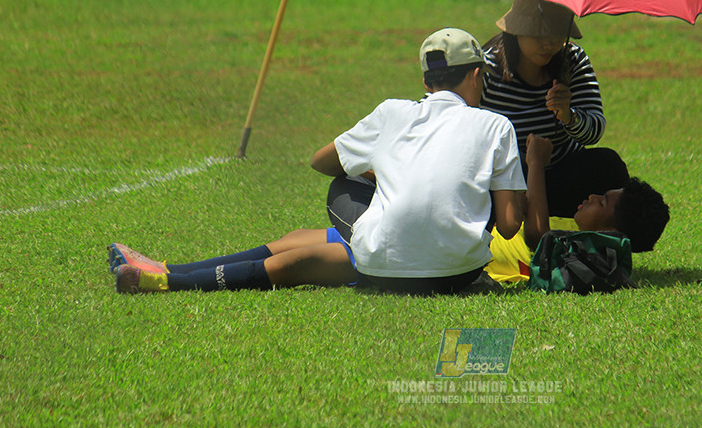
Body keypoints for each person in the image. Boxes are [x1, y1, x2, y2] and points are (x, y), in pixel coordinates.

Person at [110, 27, 527, 296]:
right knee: (301, 248)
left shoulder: (392, 112)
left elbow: (322, 161)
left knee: (344, 190)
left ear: (424, 81)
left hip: (382, 266)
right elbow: (509, 225)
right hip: (455, 274)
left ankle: (167, 274)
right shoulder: (497, 126)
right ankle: (165, 274)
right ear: (475, 76)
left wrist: (380, 171)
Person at [481, 0, 629, 216]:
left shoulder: (574, 60)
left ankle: (603, 242)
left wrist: (569, 116)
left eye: (557, 34)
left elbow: (595, 130)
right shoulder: (487, 67)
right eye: (539, 35)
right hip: (506, 181)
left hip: (561, 173)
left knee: (608, 165)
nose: (548, 44)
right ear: (516, 30)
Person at [486, 134, 669, 284]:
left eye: (602, 202)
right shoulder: (575, 229)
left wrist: (536, 162)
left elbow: (539, 238)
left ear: (610, 232)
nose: (592, 197)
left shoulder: (592, 258)